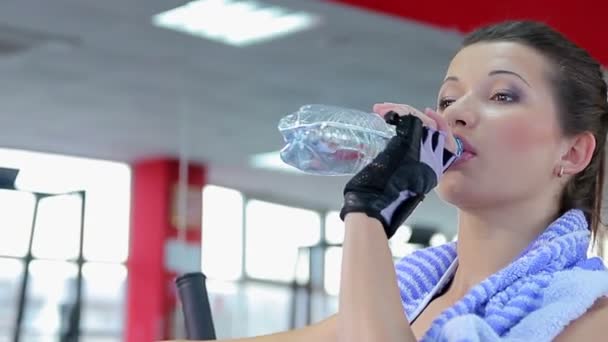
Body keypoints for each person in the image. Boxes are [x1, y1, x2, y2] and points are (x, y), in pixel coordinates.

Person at [170, 20, 608, 341]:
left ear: (572, 152)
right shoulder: (405, 298)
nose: (454, 113)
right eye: (449, 98)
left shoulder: (591, 315)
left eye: (501, 96)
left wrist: (367, 213)